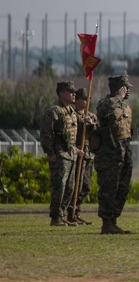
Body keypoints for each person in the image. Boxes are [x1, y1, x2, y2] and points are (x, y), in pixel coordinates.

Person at [94, 75, 134, 235]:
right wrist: (118, 96)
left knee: (122, 187)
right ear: (119, 88)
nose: (129, 90)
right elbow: (104, 113)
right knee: (109, 187)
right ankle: (107, 222)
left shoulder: (124, 105)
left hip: (124, 151)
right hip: (110, 153)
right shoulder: (106, 103)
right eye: (126, 87)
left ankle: (114, 220)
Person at [40, 81, 82, 227]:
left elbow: (71, 137)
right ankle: (55, 217)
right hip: (59, 155)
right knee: (59, 186)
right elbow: (46, 134)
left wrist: (76, 151)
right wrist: (50, 153)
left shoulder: (71, 112)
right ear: (62, 93)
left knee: (70, 187)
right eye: (70, 92)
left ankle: (62, 215)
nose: (74, 94)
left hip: (71, 154)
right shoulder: (54, 112)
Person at [64, 87, 97, 226]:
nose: (87, 101)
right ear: (76, 100)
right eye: (84, 98)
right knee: (75, 185)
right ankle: (70, 212)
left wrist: (92, 125)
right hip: (78, 152)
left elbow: (97, 132)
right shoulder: (73, 115)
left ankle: (77, 211)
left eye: (88, 98)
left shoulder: (91, 115)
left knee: (86, 186)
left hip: (89, 154)